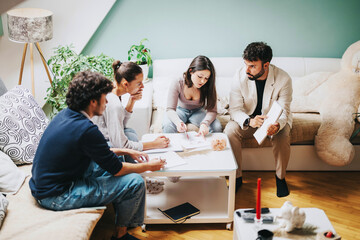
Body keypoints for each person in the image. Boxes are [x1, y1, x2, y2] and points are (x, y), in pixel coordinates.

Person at [29, 71, 166, 240]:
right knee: (135, 182)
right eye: (104, 97)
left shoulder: (67, 115)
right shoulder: (86, 129)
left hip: (47, 184)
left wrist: (127, 150)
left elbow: (100, 153)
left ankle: (123, 212)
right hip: (57, 196)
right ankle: (121, 235)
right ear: (93, 101)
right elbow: (117, 170)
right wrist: (149, 166)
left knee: (117, 161)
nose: (107, 101)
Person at [224, 42, 292, 197]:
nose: (247, 69)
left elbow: (284, 110)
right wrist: (249, 121)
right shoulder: (239, 75)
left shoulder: (284, 79)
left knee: (284, 133)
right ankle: (237, 177)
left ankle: (280, 178)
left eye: (252, 66)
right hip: (248, 119)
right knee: (229, 131)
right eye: (246, 64)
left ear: (266, 65)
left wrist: (277, 125)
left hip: (273, 120)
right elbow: (235, 109)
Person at [92, 61, 170, 156]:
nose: (142, 86)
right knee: (131, 136)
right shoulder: (113, 103)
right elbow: (121, 146)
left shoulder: (111, 89)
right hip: (102, 148)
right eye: (138, 83)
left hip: (106, 139)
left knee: (130, 133)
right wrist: (154, 144)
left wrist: (132, 101)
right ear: (125, 84)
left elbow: (120, 125)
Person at [162, 55, 222, 136]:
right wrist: (178, 122)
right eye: (199, 76)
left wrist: (205, 124)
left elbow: (212, 110)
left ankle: (209, 147)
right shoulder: (178, 82)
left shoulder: (209, 85)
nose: (202, 81)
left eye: (206, 78)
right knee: (167, 126)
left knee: (217, 127)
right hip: (180, 110)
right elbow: (170, 109)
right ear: (191, 71)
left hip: (198, 111)